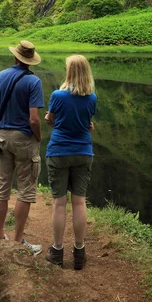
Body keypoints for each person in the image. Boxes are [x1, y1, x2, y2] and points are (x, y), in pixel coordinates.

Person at [0, 40, 44, 255]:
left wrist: (0, 130)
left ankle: (0, 236)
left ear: (15, 56)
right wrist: (37, 138)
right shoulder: (33, 82)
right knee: (25, 190)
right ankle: (19, 242)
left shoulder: (0, 76)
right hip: (24, 140)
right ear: (30, 61)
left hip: (2, 137)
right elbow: (34, 120)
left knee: (2, 188)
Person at [44, 54, 96, 270]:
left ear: (69, 72)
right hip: (83, 152)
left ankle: (57, 251)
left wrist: (50, 119)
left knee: (58, 203)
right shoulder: (92, 97)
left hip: (59, 151)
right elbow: (87, 123)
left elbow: (50, 119)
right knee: (79, 202)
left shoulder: (57, 95)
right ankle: (79, 252)